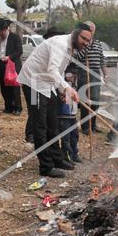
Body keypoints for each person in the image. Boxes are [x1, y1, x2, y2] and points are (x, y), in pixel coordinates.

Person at [18, 23, 91, 178]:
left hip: (47, 84)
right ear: (75, 33)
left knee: (53, 123)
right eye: (83, 38)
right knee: (40, 126)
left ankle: (57, 159)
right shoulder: (60, 44)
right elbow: (52, 70)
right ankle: (45, 166)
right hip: (33, 81)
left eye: (88, 40)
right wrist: (67, 88)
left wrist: (61, 90)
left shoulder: (71, 48)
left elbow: (60, 70)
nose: (85, 42)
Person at [76, 21, 108, 135]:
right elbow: (78, 57)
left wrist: (105, 74)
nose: (91, 31)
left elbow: (102, 59)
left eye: (93, 29)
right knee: (86, 101)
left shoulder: (98, 43)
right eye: (89, 29)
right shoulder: (81, 44)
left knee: (95, 102)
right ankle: (85, 127)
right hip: (84, 73)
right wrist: (86, 46)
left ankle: (93, 125)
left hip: (95, 74)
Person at [0, 18, 23, 116]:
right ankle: (8, 107)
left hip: (12, 66)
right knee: (4, 88)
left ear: (5, 30)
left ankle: (17, 108)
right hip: (2, 66)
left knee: (14, 88)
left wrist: (9, 57)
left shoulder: (15, 37)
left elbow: (19, 51)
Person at [58, 72, 81, 163]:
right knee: (66, 137)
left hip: (73, 114)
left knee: (75, 135)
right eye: (70, 75)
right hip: (64, 113)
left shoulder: (74, 84)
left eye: (74, 76)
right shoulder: (60, 81)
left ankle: (74, 153)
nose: (73, 77)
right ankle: (67, 156)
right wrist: (64, 95)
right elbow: (59, 92)